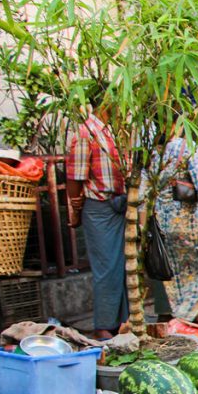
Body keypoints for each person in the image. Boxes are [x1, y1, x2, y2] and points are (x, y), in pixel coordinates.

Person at [65, 93, 128, 340]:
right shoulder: (85, 132)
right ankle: (104, 325)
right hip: (98, 205)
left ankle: (121, 321)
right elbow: (74, 178)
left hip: (119, 203)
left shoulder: (113, 132)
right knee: (106, 267)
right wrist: (76, 207)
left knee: (123, 264)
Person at [143, 130, 198, 321]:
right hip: (189, 222)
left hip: (162, 224)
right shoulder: (186, 148)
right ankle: (187, 315)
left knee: (175, 275)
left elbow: (142, 195)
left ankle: (184, 316)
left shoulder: (149, 150)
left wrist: (143, 228)